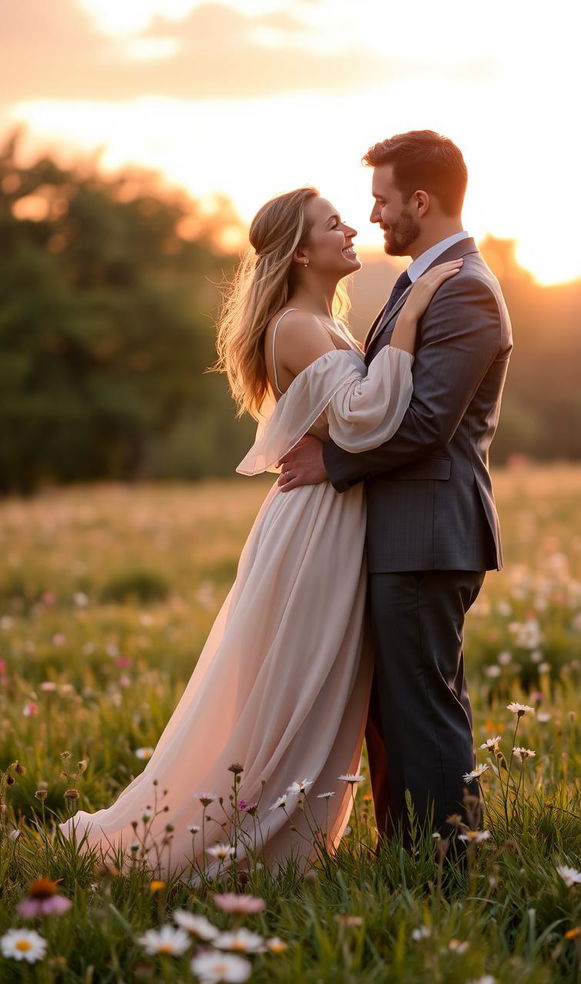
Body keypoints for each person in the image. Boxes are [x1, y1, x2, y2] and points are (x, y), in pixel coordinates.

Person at [57, 185, 462, 881]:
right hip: (314, 529)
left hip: (332, 519)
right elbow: (371, 417)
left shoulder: (321, 323)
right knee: (296, 685)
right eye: (332, 223)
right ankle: (237, 842)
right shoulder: (297, 326)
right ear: (301, 250)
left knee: (319, 684)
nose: (349, 229)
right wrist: (416, 311)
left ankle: (300, 835)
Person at [278, 130, 513, 848]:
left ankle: (447, 867)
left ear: (419, 199)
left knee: (423, 711)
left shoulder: (465, 289)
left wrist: (335, 465)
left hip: (428, 531)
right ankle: (408, 856)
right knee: (396, 710)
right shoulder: (422, 284)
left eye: (382, 200)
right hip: (406, 532)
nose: (373, 216)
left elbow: (427, 424)